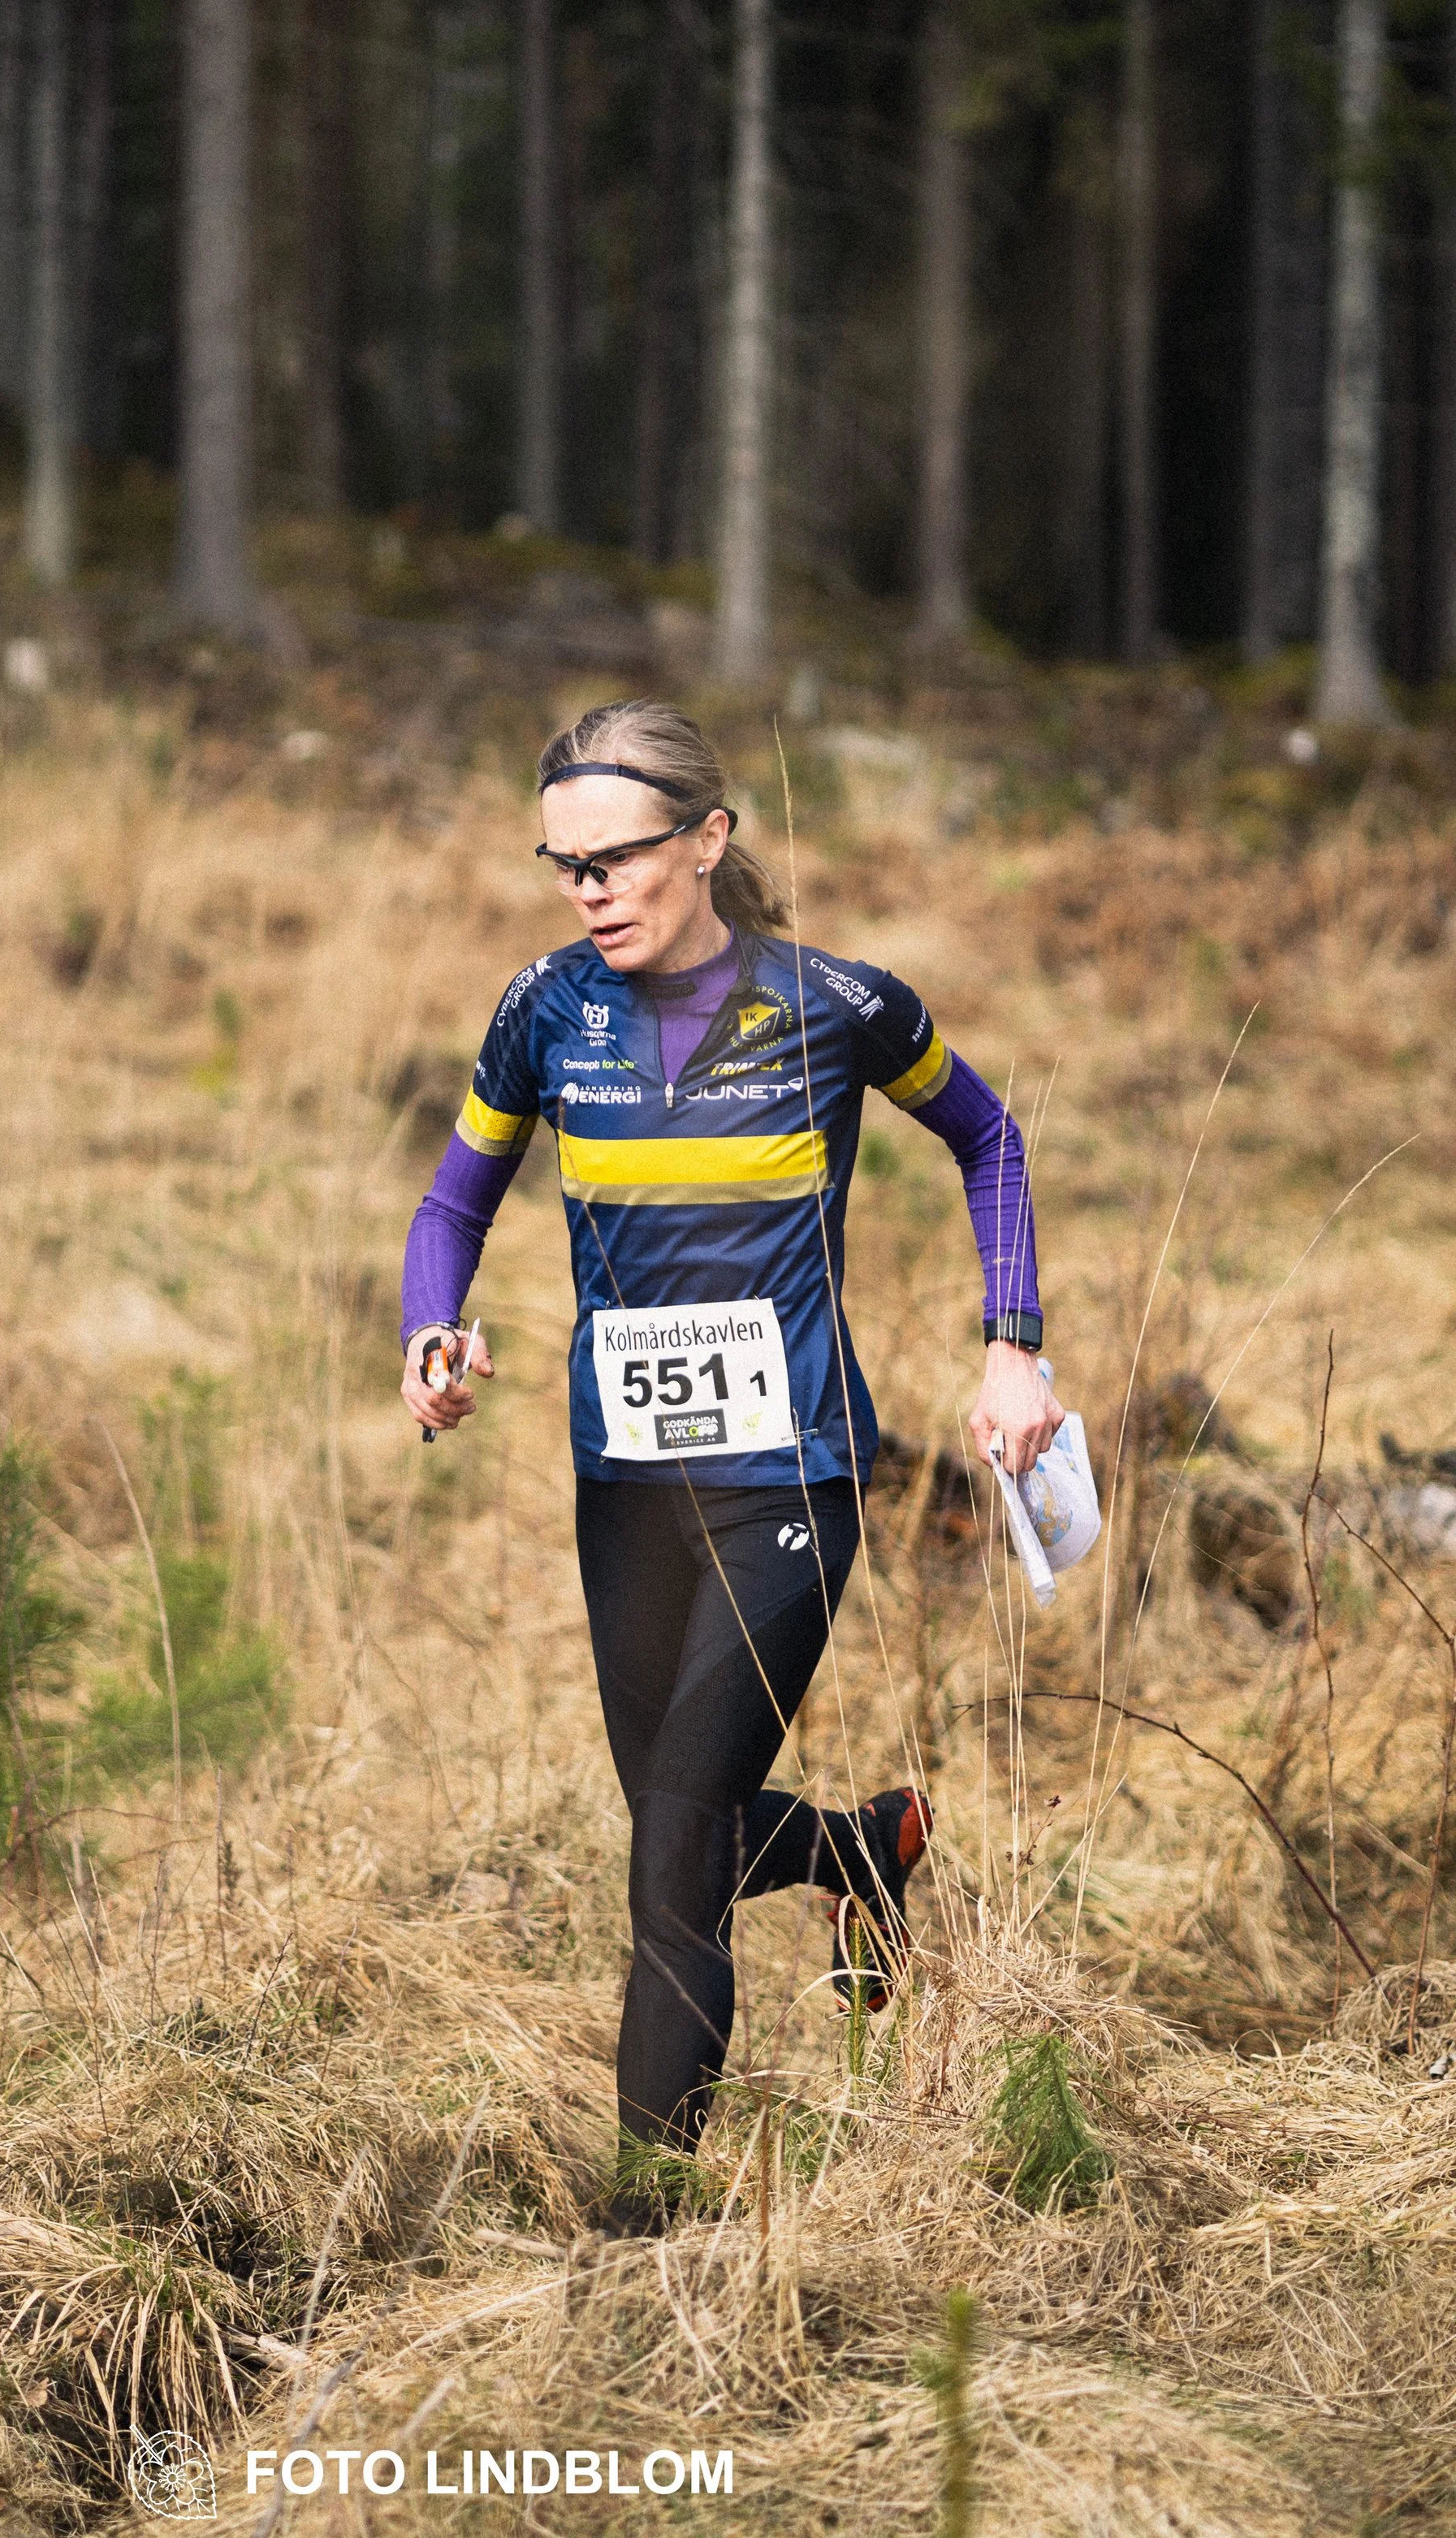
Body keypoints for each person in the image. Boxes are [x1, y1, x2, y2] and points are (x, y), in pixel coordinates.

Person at [397, 699, 1060, 2212]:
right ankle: (862, 1847)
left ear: (707, 840)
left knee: (673, 1859)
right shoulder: (546, 1010)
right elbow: (453, 1202)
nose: (589, 892)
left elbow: (991, 1138)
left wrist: (1011, 1342)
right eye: (563, 867)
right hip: (626, 1487)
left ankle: (648, 2225)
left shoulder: (837, 1006)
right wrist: (433, 1334)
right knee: (675, 1823)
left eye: (616, 860)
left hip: (793, 1478)